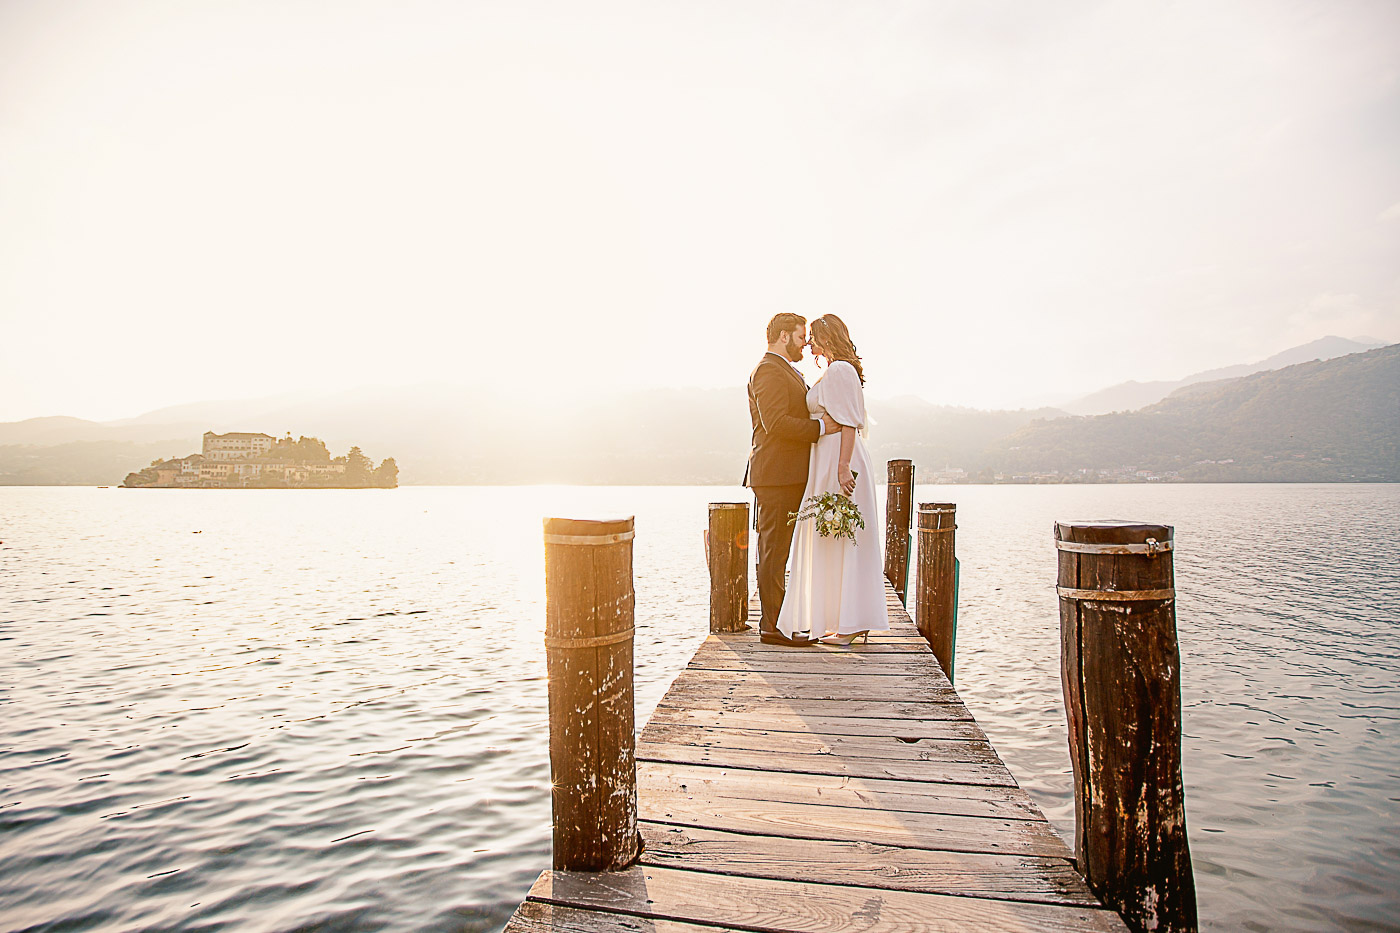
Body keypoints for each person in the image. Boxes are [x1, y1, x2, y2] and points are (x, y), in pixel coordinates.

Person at [777, 314, 886, 645]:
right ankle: (844, 619)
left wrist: (842, 467)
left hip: (839, 458)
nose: (808, 343)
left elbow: (850, 424)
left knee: (842, 538)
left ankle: (851, 624)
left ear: (826, 338)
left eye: (813, 337)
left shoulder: (839, 370)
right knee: (834, 538)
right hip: (828, 459)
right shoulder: (837, 370)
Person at [744, 313, 840, 647]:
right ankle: (772, 627)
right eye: (801, 338)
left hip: (785, 474)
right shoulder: (769, 371)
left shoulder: (783, 369)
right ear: (784, 336)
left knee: (779, 549)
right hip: (776, 475)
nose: (805, 345)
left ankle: (780, 621)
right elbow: (777, 423)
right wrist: (821, 429)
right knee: (773, 550)